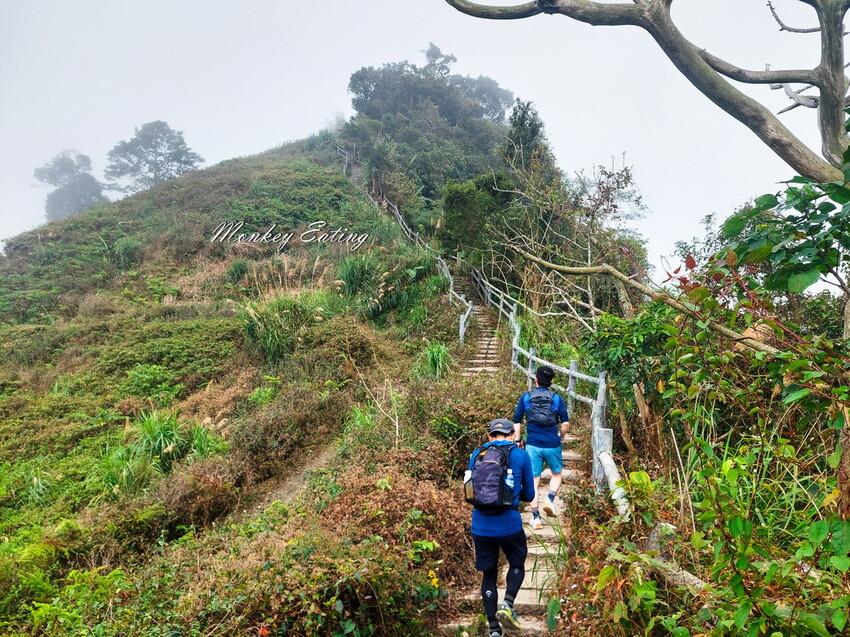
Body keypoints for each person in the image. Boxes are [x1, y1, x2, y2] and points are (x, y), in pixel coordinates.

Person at [467, 418, 536, 637]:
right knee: (517, 562)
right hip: (508, 524)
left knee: (488, 573)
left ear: (490, 436)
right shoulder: (520, 455)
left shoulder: (476, 456)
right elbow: (529, 495)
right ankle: (508, 603)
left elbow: (469, 491)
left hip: (480, 525)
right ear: (511, 435)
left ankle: (494, 631)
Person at [513, 365, 570, 531]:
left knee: (534, 481)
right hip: (552, 443)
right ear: (551, 382)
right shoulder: (557, 398)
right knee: (557, 474)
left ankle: (536, 518)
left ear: (535, 379)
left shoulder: (526, 397)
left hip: (532, 444)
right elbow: (565, 423)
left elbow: (517, 420)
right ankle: (550, 499)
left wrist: (518, 440)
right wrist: (561, 437)